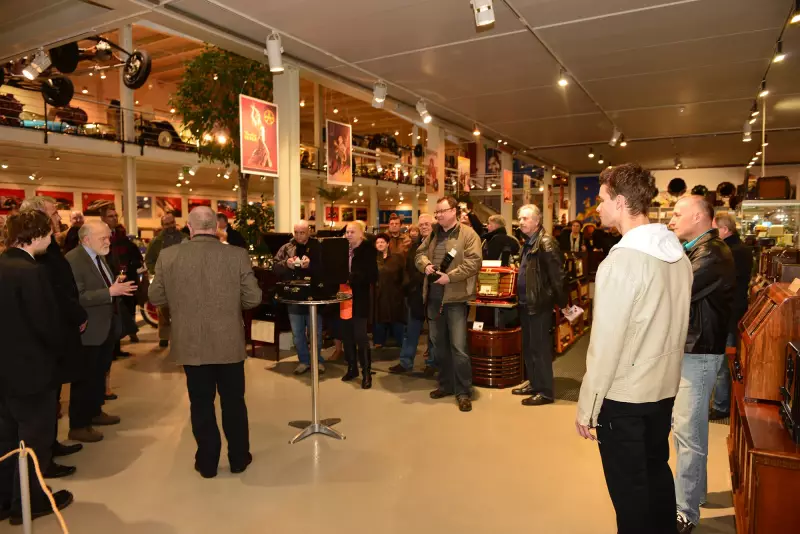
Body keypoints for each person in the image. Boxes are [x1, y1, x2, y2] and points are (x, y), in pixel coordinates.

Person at [575, 163, 692, 534]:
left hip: (624, 397)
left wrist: (587, 406)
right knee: (657, 473)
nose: (597, 207)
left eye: (602, 199)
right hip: (663, 390)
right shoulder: (678, 255)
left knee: (630, 494)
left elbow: (605, 344)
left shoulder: (621, 261)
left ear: (621, 202)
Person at [149, 207, 262, 478]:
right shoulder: (237, 255)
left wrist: (180, 304)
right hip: (228, 341)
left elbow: (156, 296)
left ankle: (208, 462)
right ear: (216, 227)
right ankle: (238, 458)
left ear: (189, 227)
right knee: (233, 402)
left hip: (190, 341)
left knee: (200, 403)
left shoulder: (169, 255)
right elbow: (253, 298)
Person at [0, 211, 74, 523]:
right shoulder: (32, 272)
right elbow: (47, 325)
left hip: (4, 373)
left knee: (5, 438)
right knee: (34, 440)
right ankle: (28, 502)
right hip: (32, 372)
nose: (52, 238)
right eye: (49, 233)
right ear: (37, 235)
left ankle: (5, 499)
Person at [669, 195, 735, 534]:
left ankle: (686, 511)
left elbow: (677, 291)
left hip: (700, 351)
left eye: (677, 213)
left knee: (688, 433)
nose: (671, 219)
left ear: (698, 216)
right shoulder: (700, 249)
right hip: (696, 348)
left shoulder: (711, 253)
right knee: (689, 430)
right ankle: (695, 494)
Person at [20, 197, 86, 476]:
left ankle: (50, 444)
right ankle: (42, 457)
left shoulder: (48, 249)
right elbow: (54, 292)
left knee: (54, 391)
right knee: (44, 398)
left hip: (59, 327)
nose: (59, 217)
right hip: (50, 332)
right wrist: (76, 314)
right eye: (54, 213)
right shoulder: (35, 257)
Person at [66, 221, 136, 443]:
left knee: (98, 374)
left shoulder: (99, 256)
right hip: (88, 330)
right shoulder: (74, 259)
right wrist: (110, 291)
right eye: (103, 238)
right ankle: (79, 425)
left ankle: (95, 412)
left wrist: (114, 287)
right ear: (86, 239)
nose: (108, 242)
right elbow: (77, 297)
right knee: (84, 379)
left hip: (104, 328)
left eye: (109, 237)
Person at [416, 196, 482, 412]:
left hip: (456, 299)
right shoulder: (433, 233)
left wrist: (449, 277)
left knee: (459, 348)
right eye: (436, 212)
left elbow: (474, 262)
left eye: (442, 211)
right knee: (439, 346)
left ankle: (463, 391)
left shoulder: (468, 234)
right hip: (433, 299)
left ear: (454, 211)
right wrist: (425, 265)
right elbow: (419, 254)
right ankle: (445, 384)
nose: (438, 215)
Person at [513, 204, 567, 406]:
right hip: (526, 304)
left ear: (537, 221)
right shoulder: (528, 243)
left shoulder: (546, 243)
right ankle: (534, 383)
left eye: (525, 218)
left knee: (540, 349)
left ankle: (545, 392)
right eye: (520, 218)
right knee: (529, 347)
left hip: (539, 305)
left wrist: (561, 302)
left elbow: (558, 276)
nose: (521, 222)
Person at [710, 213, 753, 420]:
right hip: (733, 310)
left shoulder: (730, 251)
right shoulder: (740, 249)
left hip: (728, 312)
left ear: (725, 230)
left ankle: (721, 406)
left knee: (723, 364)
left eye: (714, 229)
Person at [272, 220, 326, 375]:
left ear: (309, 231)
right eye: (296, 232)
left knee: (315, 332)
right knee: (297, 333)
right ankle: (303, 361)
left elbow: (326, 268)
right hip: (294, 294)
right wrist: (286, 264)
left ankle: (317, 360)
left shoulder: (318, 246)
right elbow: (274, 267)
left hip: (314, 294)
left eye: (302, 232)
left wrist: (311, 265)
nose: (298, 235)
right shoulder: (287, 247)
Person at [391, 214, 437, 375]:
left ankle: (432, 363)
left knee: (434, 333)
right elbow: (409, 269)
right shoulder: (414, 246)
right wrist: (408, 287)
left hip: (433, 294)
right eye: (421, 224)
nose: (423, 227)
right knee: (410, 331)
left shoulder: (439, 244)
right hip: (415, 295)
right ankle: (405, 362)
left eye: (427, 224)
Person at [341, 221, 379, 388]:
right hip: (343, 296)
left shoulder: (368, 250)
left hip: (360, 297)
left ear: (361, 234)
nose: (348, 235)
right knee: (347, 335)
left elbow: (372, 275)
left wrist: (352, 278)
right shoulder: (342, 250)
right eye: (347, 232)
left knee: (360, 336)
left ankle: (366, 372)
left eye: (352, 232)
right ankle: (352, 368)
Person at [100, 206, 142, 350]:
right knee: (113, 312)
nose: (114, 218)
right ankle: (114, 348)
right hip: (109, 279)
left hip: (126, 278)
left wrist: (130, 265)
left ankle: (119, 346)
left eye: (115, 215)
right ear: (103, 218)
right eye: (110, 216)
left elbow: (133, 255)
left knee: (126, 309)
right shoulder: (100, 236)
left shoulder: (122, 236)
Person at [145, 213, 188, 348]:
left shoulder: (185, 239)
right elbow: (149, 260)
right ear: (162, 225)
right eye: (167, 224)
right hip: (164, 280)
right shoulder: (156, 242)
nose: (170, 226)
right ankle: (164, 336)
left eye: (172, 223)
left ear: (175, 222)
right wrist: (156, 271)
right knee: (163, 310)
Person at [373, 233, 406, 349]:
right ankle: (378, 341)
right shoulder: (372, 259)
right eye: (377, 242)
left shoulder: (397, 258)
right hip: (378, 294)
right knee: (379, 318)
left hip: (394, 293)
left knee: (396, 318)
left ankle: (401, 342)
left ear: (387, 244)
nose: (380, 244)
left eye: (382, 242)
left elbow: (403, 275)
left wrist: (402, 289)